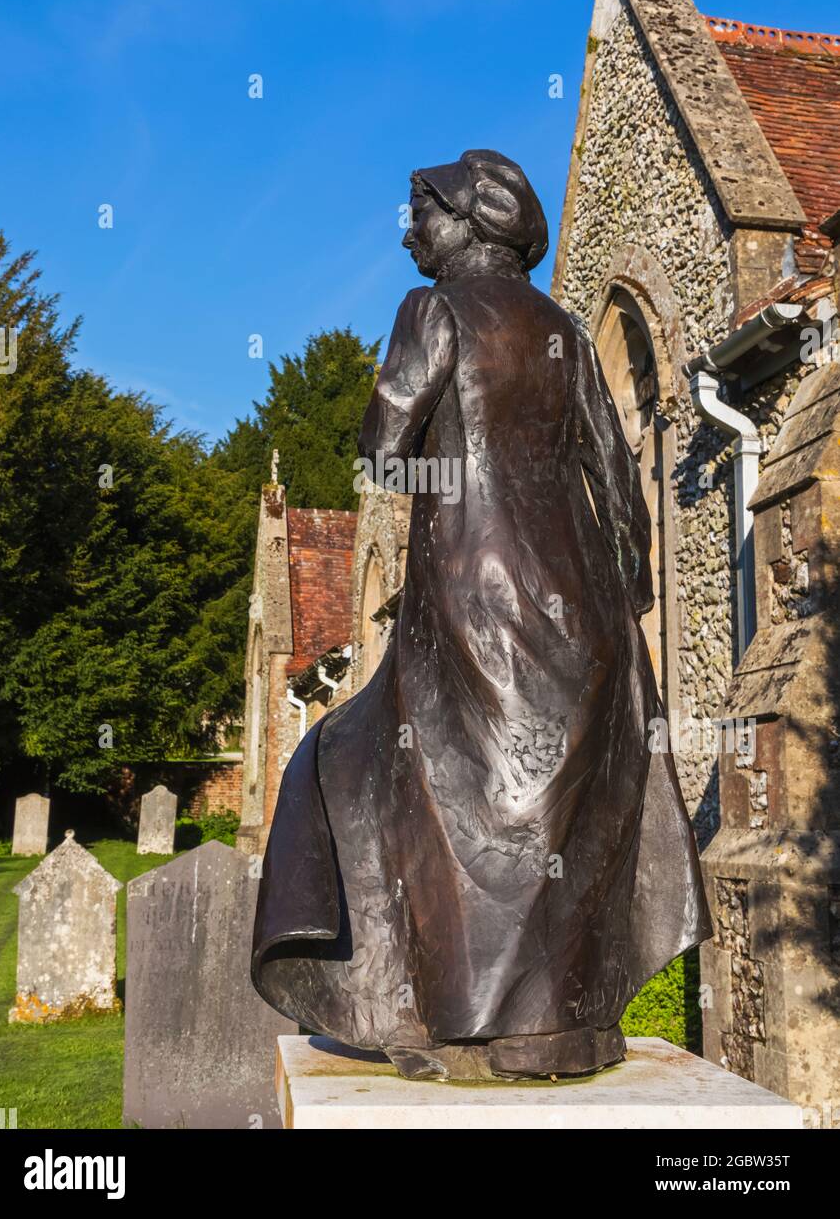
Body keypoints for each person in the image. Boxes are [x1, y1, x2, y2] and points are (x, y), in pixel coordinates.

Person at [251, 149, 711, 1080]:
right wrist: (624, 613)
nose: (411, 230)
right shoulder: (569, 333)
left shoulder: (435, 313)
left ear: (473, 221)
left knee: (403, 781)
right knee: (551, 813)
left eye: (423, 213)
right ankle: (561, 1024)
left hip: (470, 592)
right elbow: (622, 486)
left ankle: (451, 1018)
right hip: (581, 607)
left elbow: (383, 455)